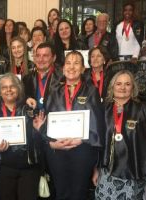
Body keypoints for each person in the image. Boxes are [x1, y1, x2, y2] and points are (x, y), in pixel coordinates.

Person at [93, 70, 146, 199]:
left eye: (127, 84)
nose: (123, 87)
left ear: (133, 87)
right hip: (108, 173)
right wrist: (96, 170)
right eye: (119, 83)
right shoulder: (103, 109)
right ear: (112, 86)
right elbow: (98, 142)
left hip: (136, 172)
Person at [41, 51, 104, 200]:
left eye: (76, 63)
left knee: (78, 192)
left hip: (82, 150)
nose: (71, 67)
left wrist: (81, 139)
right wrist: (52, 144)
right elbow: (46, 122)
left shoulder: (91, 91)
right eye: (68, 63)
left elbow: (97, 122)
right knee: (61, 192)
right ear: (63, 69)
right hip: (57, 152)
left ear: (83, 69)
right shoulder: (53, 91)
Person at [0, 73, 45, 200]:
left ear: (19, 89)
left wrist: (38, 130)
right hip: (2, 168)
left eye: (12, 86)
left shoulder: (30, 109)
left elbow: (40, 142)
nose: (8, 90)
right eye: (4, 87)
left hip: (28, 168)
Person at [23, 42, 62, 110]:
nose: (41, 59)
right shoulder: (27, 79)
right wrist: (26, 99)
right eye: (38, 56)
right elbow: (21, 97)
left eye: (45, 56)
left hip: (54, 118)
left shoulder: (62, 78)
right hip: (34, 118)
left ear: (54, 58)